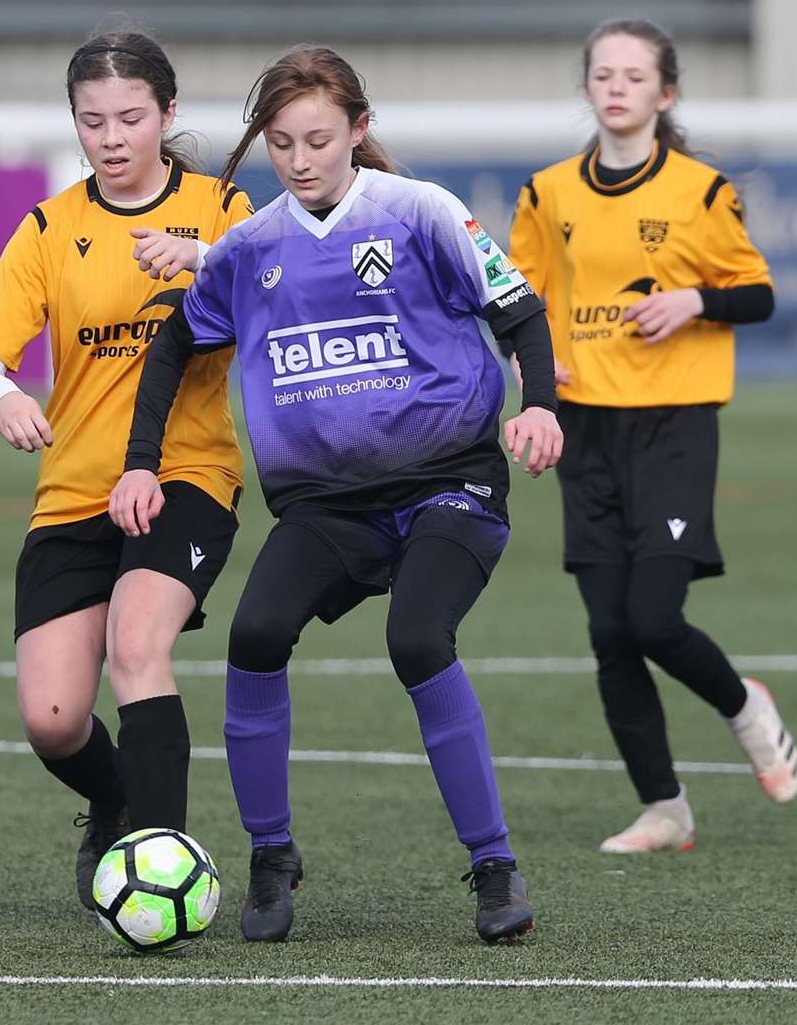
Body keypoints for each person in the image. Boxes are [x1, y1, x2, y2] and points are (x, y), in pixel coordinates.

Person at [111, 46, 563, 945]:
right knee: (253, 636)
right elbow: (172, 345)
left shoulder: (422, 213)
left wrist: (541, 406)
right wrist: (138, 461)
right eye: (280, 143)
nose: (299, 158)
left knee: (417, 639)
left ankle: (493, 866)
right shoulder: (249, 248)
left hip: (448, 485)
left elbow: (518, 310)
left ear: (359, 129)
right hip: (324, 507)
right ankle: (270, 856)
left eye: (318, 138)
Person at [0, 30, 252, 911]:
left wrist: (204, 260)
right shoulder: (50, 228)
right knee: (51, 721)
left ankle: (162, 865)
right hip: (74, 487)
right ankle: (116, 802)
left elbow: (286, 289)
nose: (112, 138)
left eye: (130, 118)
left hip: (187, 473)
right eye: (92, 122)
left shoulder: (223, 206)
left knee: (136, 646)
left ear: (166, 114)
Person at [506, 18, 797, 854]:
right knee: (607, 632)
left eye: (634, 76)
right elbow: (517, 300)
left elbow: (758, 294)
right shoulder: (546, 193)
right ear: (588, 86)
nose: (616, 86)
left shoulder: (701, 192)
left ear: (664, 93)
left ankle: (746, 709)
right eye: (603, 73)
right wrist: (540, 363)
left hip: (673, 424)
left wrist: (693, 301)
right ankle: (664, 808)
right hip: (585, 428)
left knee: (652, 618)